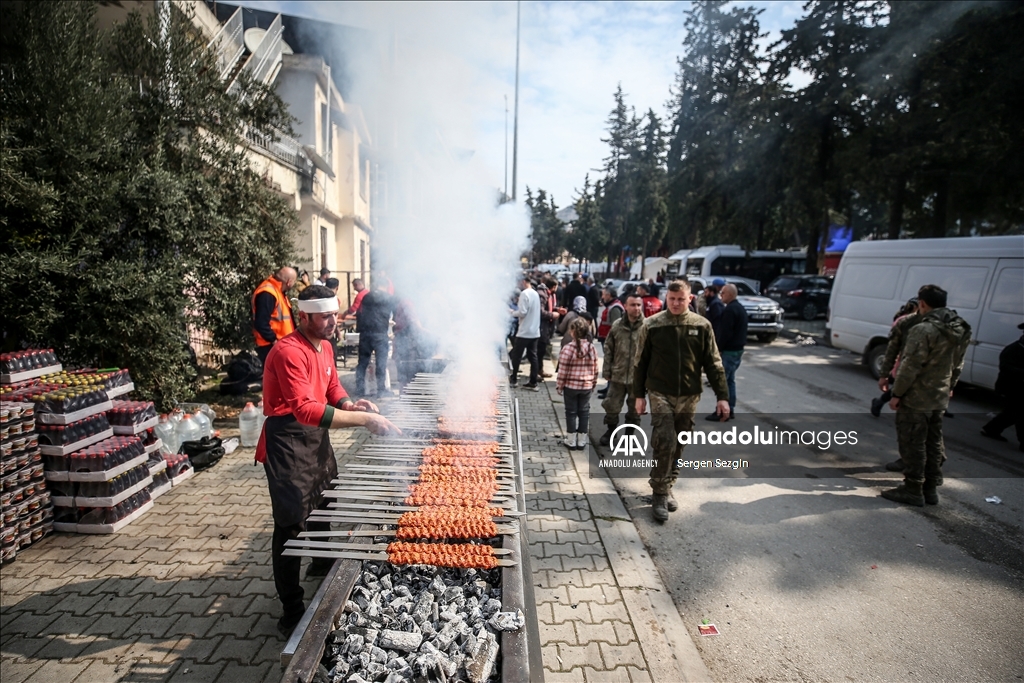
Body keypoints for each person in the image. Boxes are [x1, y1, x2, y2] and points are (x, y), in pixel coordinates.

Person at [257, 285, 400, 636]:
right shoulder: (288, 351)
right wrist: (366, 421)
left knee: (323, 501)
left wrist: (350, 404)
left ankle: (321, 562)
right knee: (291, 523)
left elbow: (331, 386)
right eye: (325, 316)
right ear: (303, 316)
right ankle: (291, 610)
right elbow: (305, 409)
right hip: (289, 439)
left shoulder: (326, 346)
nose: (333, 322)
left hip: (315, 439)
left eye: (335, 314)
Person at [633, 279, 729, 522]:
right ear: (667, 298)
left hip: (689, 395)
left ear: (690, 299)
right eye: (672, 299)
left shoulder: (702, 325)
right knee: (664, 438)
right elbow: (640, 363)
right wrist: (638, 396)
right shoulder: (652, 325)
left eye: (680, 299)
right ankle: (659, 493)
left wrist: (723, 397)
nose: (676, 303)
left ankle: (668, 483)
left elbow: (714, 363)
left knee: (680, 441)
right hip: (659, 392)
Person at [881, 285, 971, 507]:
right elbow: (958, 362)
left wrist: (897, 393)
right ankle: (930, 489)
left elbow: (910, 365)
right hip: (939, 395)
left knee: (914, 442)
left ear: (922, 303)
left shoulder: (923, 329)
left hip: (917, 396)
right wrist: (951, 385)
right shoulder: (959, 326)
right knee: (932, 442)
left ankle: (912, 489)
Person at [599, 292, 644, 446]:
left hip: (637, 379)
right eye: (632, 305)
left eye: (639, 305)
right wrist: (607, 371)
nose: (636, 308)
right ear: (625, 306)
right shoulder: (617, 325)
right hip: (617, 375)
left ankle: (629, 435)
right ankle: (611, 431)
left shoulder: (647, 327)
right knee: (611, 406)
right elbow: (609, 348)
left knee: (634, 410)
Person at [872, 298, 921, 420]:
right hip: (902, 359)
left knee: (904, 387)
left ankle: (880, 402)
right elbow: (893, 345)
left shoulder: (921, 321)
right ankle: (880, 402)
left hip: (913, 361)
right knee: (901, 386)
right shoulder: (903, 321)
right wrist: (885, 374)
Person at [980, 322, 1024, 451]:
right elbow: (1006, 368)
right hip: (1011, 387)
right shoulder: (1013, 349)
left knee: (1011, 413)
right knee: (1019, 414)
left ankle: (991, 429)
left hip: (1019, 388)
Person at [557, 317, 599, 450]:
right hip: (586, 386)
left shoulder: (568, 349)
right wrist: (593, 382)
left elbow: (562, 370)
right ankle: (582, 441)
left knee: (571, 412)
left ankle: (571, 440)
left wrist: (560, 385)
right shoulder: (592, 348)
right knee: (584, 412)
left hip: (571, 387)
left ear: (573, 332)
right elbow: (595, 368)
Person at [708, 284, 747, 420]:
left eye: (723, 293)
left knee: (722, 382)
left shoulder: (730, 310)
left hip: (730, 351)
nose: (721, 295)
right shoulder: (739, 308)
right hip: (737, 350)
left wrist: (717, 348)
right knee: (730, 381)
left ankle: (722, 411)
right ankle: (730, 408)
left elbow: (725, 332)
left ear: (730, 294)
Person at [355, 280, 395, 397]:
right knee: (381, 363)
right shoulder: (388, 298)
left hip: (366, 333)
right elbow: (393, 314)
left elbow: (359, 312)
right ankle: (381, 390)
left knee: (362, 362)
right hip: (380, 333)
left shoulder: (367, 296)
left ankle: (360, 389)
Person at [252, 267, 297, 366]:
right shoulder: (268, 293)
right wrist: (274, 340)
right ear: (289, 282)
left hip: (280, 344)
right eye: (294, 281)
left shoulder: (278, 292)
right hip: (270, 345)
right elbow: (261, 323)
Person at [510, 276, 541, 391]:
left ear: (523, 282)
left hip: (524, 331)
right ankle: (533, 382)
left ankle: (514, 379)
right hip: (534, 331)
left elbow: (522, 312)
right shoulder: (535, 293)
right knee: (533, 357)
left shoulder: (524, 294)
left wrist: (512, 312)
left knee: (516, 356)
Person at [537, 279, 561, 378]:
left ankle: (539, 370)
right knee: (539, 350)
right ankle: (537, 372)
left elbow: (550, 307)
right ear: (554, 286)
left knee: (541, 350)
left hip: (546, 327)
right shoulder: (542, 294)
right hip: (541, 327)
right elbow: (541, 312)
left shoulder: (550, 294)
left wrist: (557, 310)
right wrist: (552, 315)